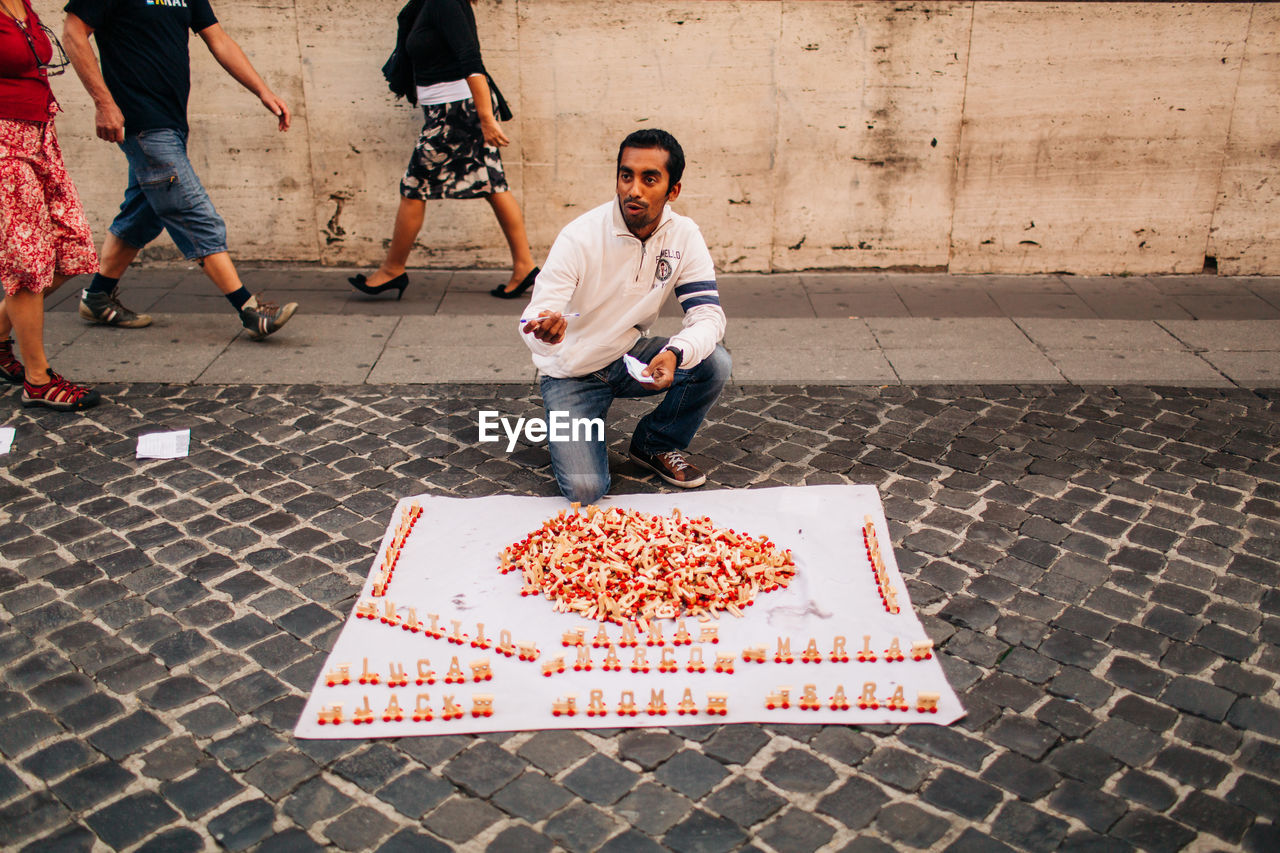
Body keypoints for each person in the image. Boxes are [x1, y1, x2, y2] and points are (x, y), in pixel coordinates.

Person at [62, 0, 296, 339]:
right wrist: (104, 102)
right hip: (141, 121)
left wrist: (263, 91)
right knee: (191, 210)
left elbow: (218, 39)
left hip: (171, 120)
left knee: (143, 213)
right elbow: (73, 33)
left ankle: (97, 296)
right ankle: (250, 311)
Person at [521, 129, 731, 504]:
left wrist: (676, 353)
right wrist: (544, 331)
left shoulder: (683, 236)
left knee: (713, 362)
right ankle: (580, 427)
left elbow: (708, 316)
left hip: (627, 357)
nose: (634, 189)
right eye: (626, 175)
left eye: (649, 179)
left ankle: (654, 443)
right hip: (572, 372)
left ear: (673, 190)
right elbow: (533, 316)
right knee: (587, 489)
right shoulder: (579, 236)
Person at [349, 0, 538, 301]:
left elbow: (470, 59)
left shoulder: (445, 1)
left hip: (456, 113)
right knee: (492, 183)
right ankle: (525, 265)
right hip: (450, 110)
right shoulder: (427, 3)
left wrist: (487, 119)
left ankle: (393, 269)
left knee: (414, 185)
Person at [0, 0, 100, 410]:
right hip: (4, 144)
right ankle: (37, 379)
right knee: (27, 260)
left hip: (41, 137)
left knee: (72, 247)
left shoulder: (21, 4)